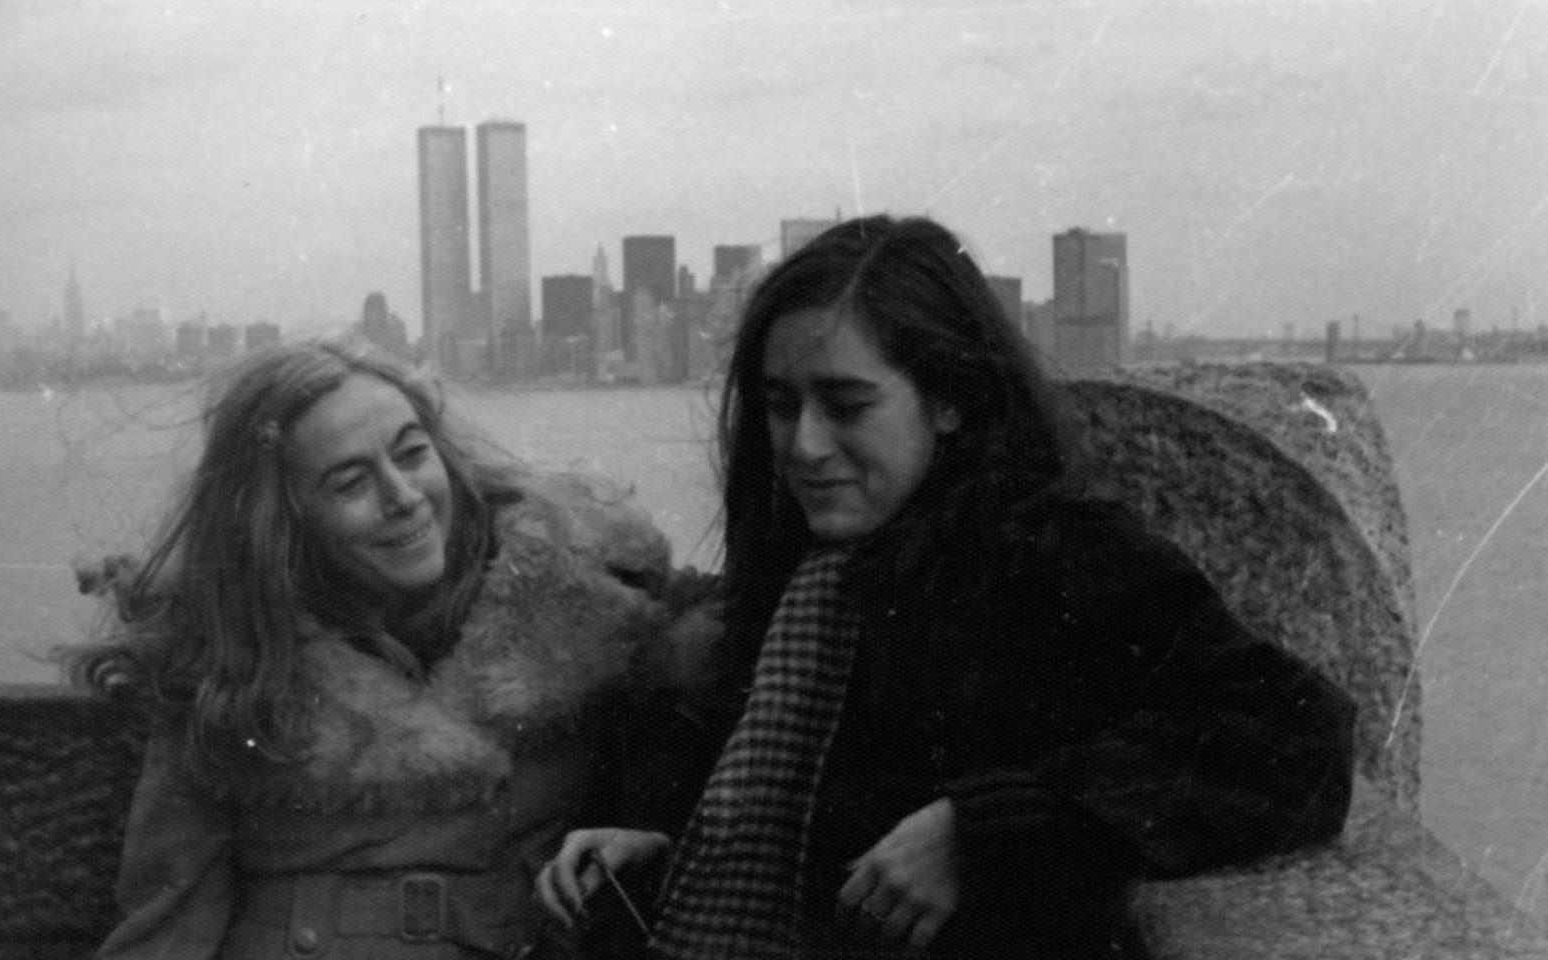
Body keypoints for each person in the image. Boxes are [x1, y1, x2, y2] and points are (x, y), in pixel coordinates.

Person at [537, 215, 1358, 959]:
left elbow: (1296, 733)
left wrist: (984, 830)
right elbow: (810, 825)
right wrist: (664, 849)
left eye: (847, 404)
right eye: (781, 406)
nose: (804, 445)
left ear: (951, 400)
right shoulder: (806, 579)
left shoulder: (1051, 554)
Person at [66, 338, 692, 959]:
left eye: (412, 453)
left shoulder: (581, 607)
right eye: (349, 483)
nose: (404, 497)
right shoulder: (229, 675)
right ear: (280, 523)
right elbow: (166, 929)